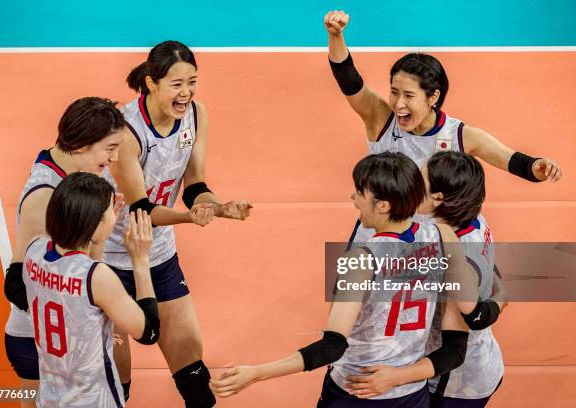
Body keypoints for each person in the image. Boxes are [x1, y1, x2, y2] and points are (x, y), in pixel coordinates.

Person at [210, 152, 477, 407]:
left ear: (383, 206)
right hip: (411, 394)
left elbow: (332, 346)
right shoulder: (443, 236)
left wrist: (256, 373)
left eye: (360, 193)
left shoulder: (361, 259)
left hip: (356, 391)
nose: (353, 197)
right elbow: (462, 329)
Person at [323, 10, 562, 244]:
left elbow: (511, 160)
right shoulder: (381, 119)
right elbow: (349, 80)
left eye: (408, 95)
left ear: (433, 97)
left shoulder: (458, 135)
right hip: (379, 233)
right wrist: (336, 36)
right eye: (394, 92)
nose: (398, 103)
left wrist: (536, 167)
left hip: (429, 239)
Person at [103, 40, 253, 406]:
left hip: (159, 254)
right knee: (116, 378)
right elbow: (142, 209)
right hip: (110, 257)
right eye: (177, 84)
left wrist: (216, 207)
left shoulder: (197, 114)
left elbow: (196, 185)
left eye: (193, 82)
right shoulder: (127, 132)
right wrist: (190, 217)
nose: (186, 93)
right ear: (152, 83)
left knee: (193, 368)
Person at [345, 152, 506, 407]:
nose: (413, 184)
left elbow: (473, 322)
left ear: (438, 199)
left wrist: (395, 377)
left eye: (421, 180)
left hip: (452, 383)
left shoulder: (457, 254)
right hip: (473, 359)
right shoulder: (469, 217)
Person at [3, 97, 126, 407]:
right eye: (110, 148)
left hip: (62, 338)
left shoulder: (70, 168)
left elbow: (76, 265)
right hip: (40, 341)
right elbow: (17, 286)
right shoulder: (45, 196)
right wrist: (81, 323)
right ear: (82, 145)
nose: (115, 157)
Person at [22, 172, 159, 407]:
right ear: (92, 223)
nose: (114, 218)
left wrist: (98, 238)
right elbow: (149, 332)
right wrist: (140, 260)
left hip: (50, 397)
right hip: (93, 399)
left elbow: (73, 297)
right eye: (109, 214)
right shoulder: (97, 277)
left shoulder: (34, 251)